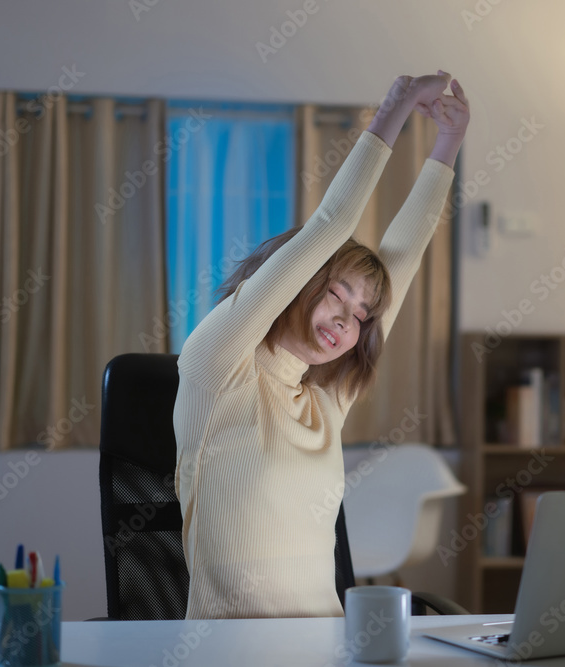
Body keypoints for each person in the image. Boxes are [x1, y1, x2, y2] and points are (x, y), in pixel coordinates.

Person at [172, 71, 470, 619]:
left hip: (330, 649)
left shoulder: (323, 402)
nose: (348, 322)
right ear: (297, 279)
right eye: (338, 293)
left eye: (362, 315)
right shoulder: (216, 366)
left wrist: (448, 145)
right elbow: (329, 226)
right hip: (230, 655)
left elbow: (403, 257)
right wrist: (396, 109)